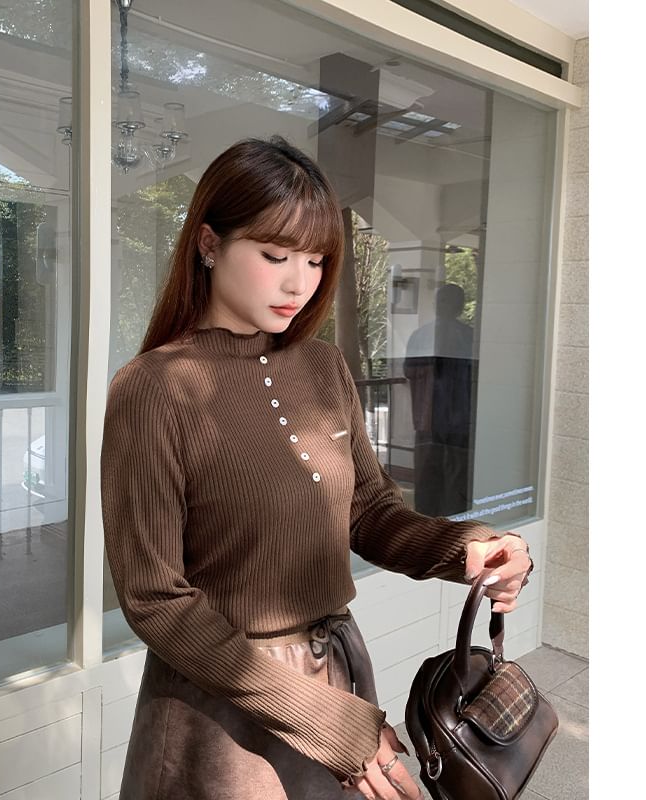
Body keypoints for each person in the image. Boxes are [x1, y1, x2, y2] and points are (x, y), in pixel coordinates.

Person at [100, 135, 533, 800]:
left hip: (336, 673)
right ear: (209, 243)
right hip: (220, 713)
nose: (298, 283)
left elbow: (369, 512)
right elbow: (155, 600)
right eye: (275, 255)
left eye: (314, 258)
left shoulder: (323, 366)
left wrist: (468, 550)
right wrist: (329, 722)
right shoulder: (154, 387)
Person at [404, 283, 475, 517]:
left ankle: (433, 519)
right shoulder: (468, 336)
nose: (442, 305)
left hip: (441, 418)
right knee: (448, 471)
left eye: (445, 300)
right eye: (441, 300)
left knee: (438, 470)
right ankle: (442, 520)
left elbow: (409, 370)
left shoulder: (424, 335)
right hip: (447, 418)